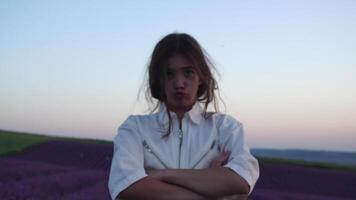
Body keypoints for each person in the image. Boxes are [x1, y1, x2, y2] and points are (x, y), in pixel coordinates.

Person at [108, 33, 259, 200]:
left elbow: (241, 180)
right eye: (169, 74)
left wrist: (164, 175)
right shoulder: (135, 128)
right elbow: (128, 186)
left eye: (188, 72)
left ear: (201, 77)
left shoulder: (226, 128)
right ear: (158, 79)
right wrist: (212, 185)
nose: (179, 83)